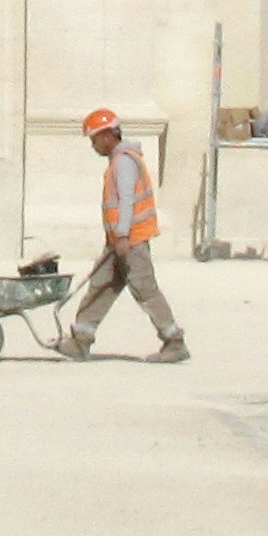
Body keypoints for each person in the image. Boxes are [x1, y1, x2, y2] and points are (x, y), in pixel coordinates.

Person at [58, 106, 188, 362]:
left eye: (94, 139)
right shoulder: (119, 161)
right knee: (100, 286)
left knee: (145, 290)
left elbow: (127, 201)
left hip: (131, 241)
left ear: (108, 136)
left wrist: (123, 236)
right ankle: (80, 341)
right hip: (118, 241)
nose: (93, 146)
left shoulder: (124, 162)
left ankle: (174, 342)